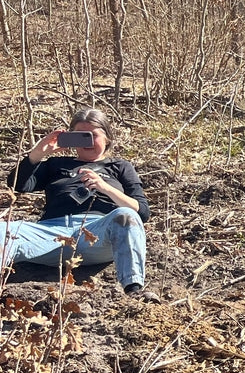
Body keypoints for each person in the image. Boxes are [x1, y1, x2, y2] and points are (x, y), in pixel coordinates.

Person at [3, 107, 154, 299]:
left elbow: (142, 212)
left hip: (98, 235)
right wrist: (39, 152)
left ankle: (133, 290)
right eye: (81, 136)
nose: (88, 141)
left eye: (93, 135)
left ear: (107, 137)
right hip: (50, 235)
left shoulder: (120, 167)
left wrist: (104, 187)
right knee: (5, 230)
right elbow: (18, 184)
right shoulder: (56, 164)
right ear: (71, 138)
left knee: (126, 216)